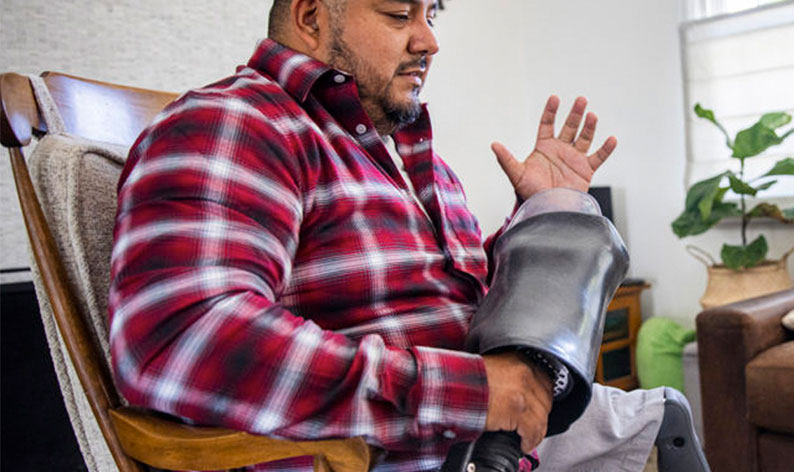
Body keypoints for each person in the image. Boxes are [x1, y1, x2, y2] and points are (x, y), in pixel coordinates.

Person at [107, 1, 682, 470]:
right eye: (398, 14)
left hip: (482, 444)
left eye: (431, 13)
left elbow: (460, 299)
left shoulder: (400, 154)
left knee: (665, 419)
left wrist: (536, 212)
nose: (429, 41)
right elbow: (181, 339)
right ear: (311, 18)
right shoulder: (236, 124)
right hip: (394, 454)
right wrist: (471, 390)